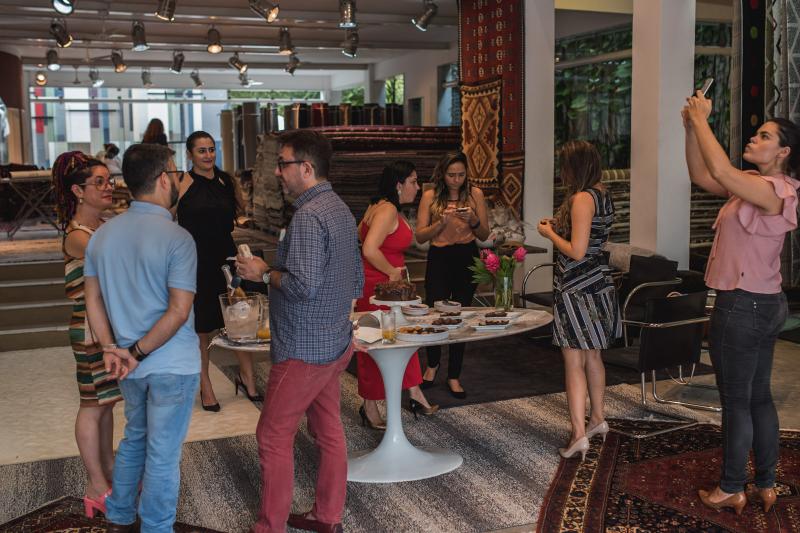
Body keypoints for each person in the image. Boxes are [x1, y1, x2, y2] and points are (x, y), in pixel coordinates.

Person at [236, 129, 363, 533]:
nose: (277, 172)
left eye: (283, 164)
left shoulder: (308, 216)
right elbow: (356, 279)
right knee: (328, 430)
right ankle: (327, 516)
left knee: (272, 435)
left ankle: (270, 527)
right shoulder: (340, 209)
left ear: (306, 168)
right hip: (334, 340)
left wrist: (262, 272)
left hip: (305, 347)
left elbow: (302, 285)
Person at [683, 93, 800, 514]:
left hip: (743, 306)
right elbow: (703, 174)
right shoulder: (752, 185)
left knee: (737, 402)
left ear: (783, 152)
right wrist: (689, 127)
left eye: (764, 136)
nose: (754, 138)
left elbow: (720, 169)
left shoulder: (774, 190)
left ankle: (731, 487)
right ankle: (765, 483)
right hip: (762, 304)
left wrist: (702, 119)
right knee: (757, 398)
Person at [83, 143, 200, 532]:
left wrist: (112, 349)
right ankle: (156, 527)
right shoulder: (178, 238)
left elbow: (93, 300)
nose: (179, 180)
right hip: (169, 363)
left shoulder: (101, 236)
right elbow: (178, 311)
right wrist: (134, 352)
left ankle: (119, 515)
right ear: (164, 178)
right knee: (162, 454)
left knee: (135, 438)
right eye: (176, 172)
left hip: (126, 364)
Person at [537, 140, 621, 461]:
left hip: (577, 287)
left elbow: (576, 250)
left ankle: (577, 434)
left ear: (574, 167)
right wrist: (561, 226)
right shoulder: (603, 194)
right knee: (594, 356)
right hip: (599, 282)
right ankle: (597, 418)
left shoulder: (582, 198)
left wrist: (550, 234)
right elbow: (593, 238)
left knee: (573, 361)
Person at [52, 151, 122, 518]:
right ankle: (95, 485)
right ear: (78, 191)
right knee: (92, 405)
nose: (109, 187)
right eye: (99, 182)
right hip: (88, 330)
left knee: (106, 403)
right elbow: (119, 261)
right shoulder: (79, 236)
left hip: (107, 327)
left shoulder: (103, 226)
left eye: (109, 180)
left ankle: (109, 471)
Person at [177, 130, 260, 411]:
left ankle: (247, 378)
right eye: (202, 150)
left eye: (211, 149)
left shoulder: (225, 181)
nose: (208, 155)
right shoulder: (182, 182)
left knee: (239, 320)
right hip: (195, 261)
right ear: (190, 154)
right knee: (201, 327)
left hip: (226, 258)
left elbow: (236, 216)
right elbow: (167, 218)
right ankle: (206, 386)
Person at [356, 161, 438, 429]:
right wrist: (392, 271)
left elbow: (362, 236)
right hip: (381, 287)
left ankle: (414, 391)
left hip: (382, 285)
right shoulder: (388, 210)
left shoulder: (377, 205)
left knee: (401, 336)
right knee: (374, 343)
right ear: (398, 184)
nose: (418, 187)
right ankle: (370, 405)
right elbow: (369, 248)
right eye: (413, 181)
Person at [415, 151, 489, 398]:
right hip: (439, 257)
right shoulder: (430, 196)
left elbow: (484, 234)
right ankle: (432, 364)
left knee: (461, 316)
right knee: (435, 312)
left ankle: (454, 375)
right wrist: (440, 223)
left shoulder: (475, 194)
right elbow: (420, 236)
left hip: (466, 256)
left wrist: (473, 220)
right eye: (451, 175)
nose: (456, 180)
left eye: (461, 175)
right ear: (442, 174)